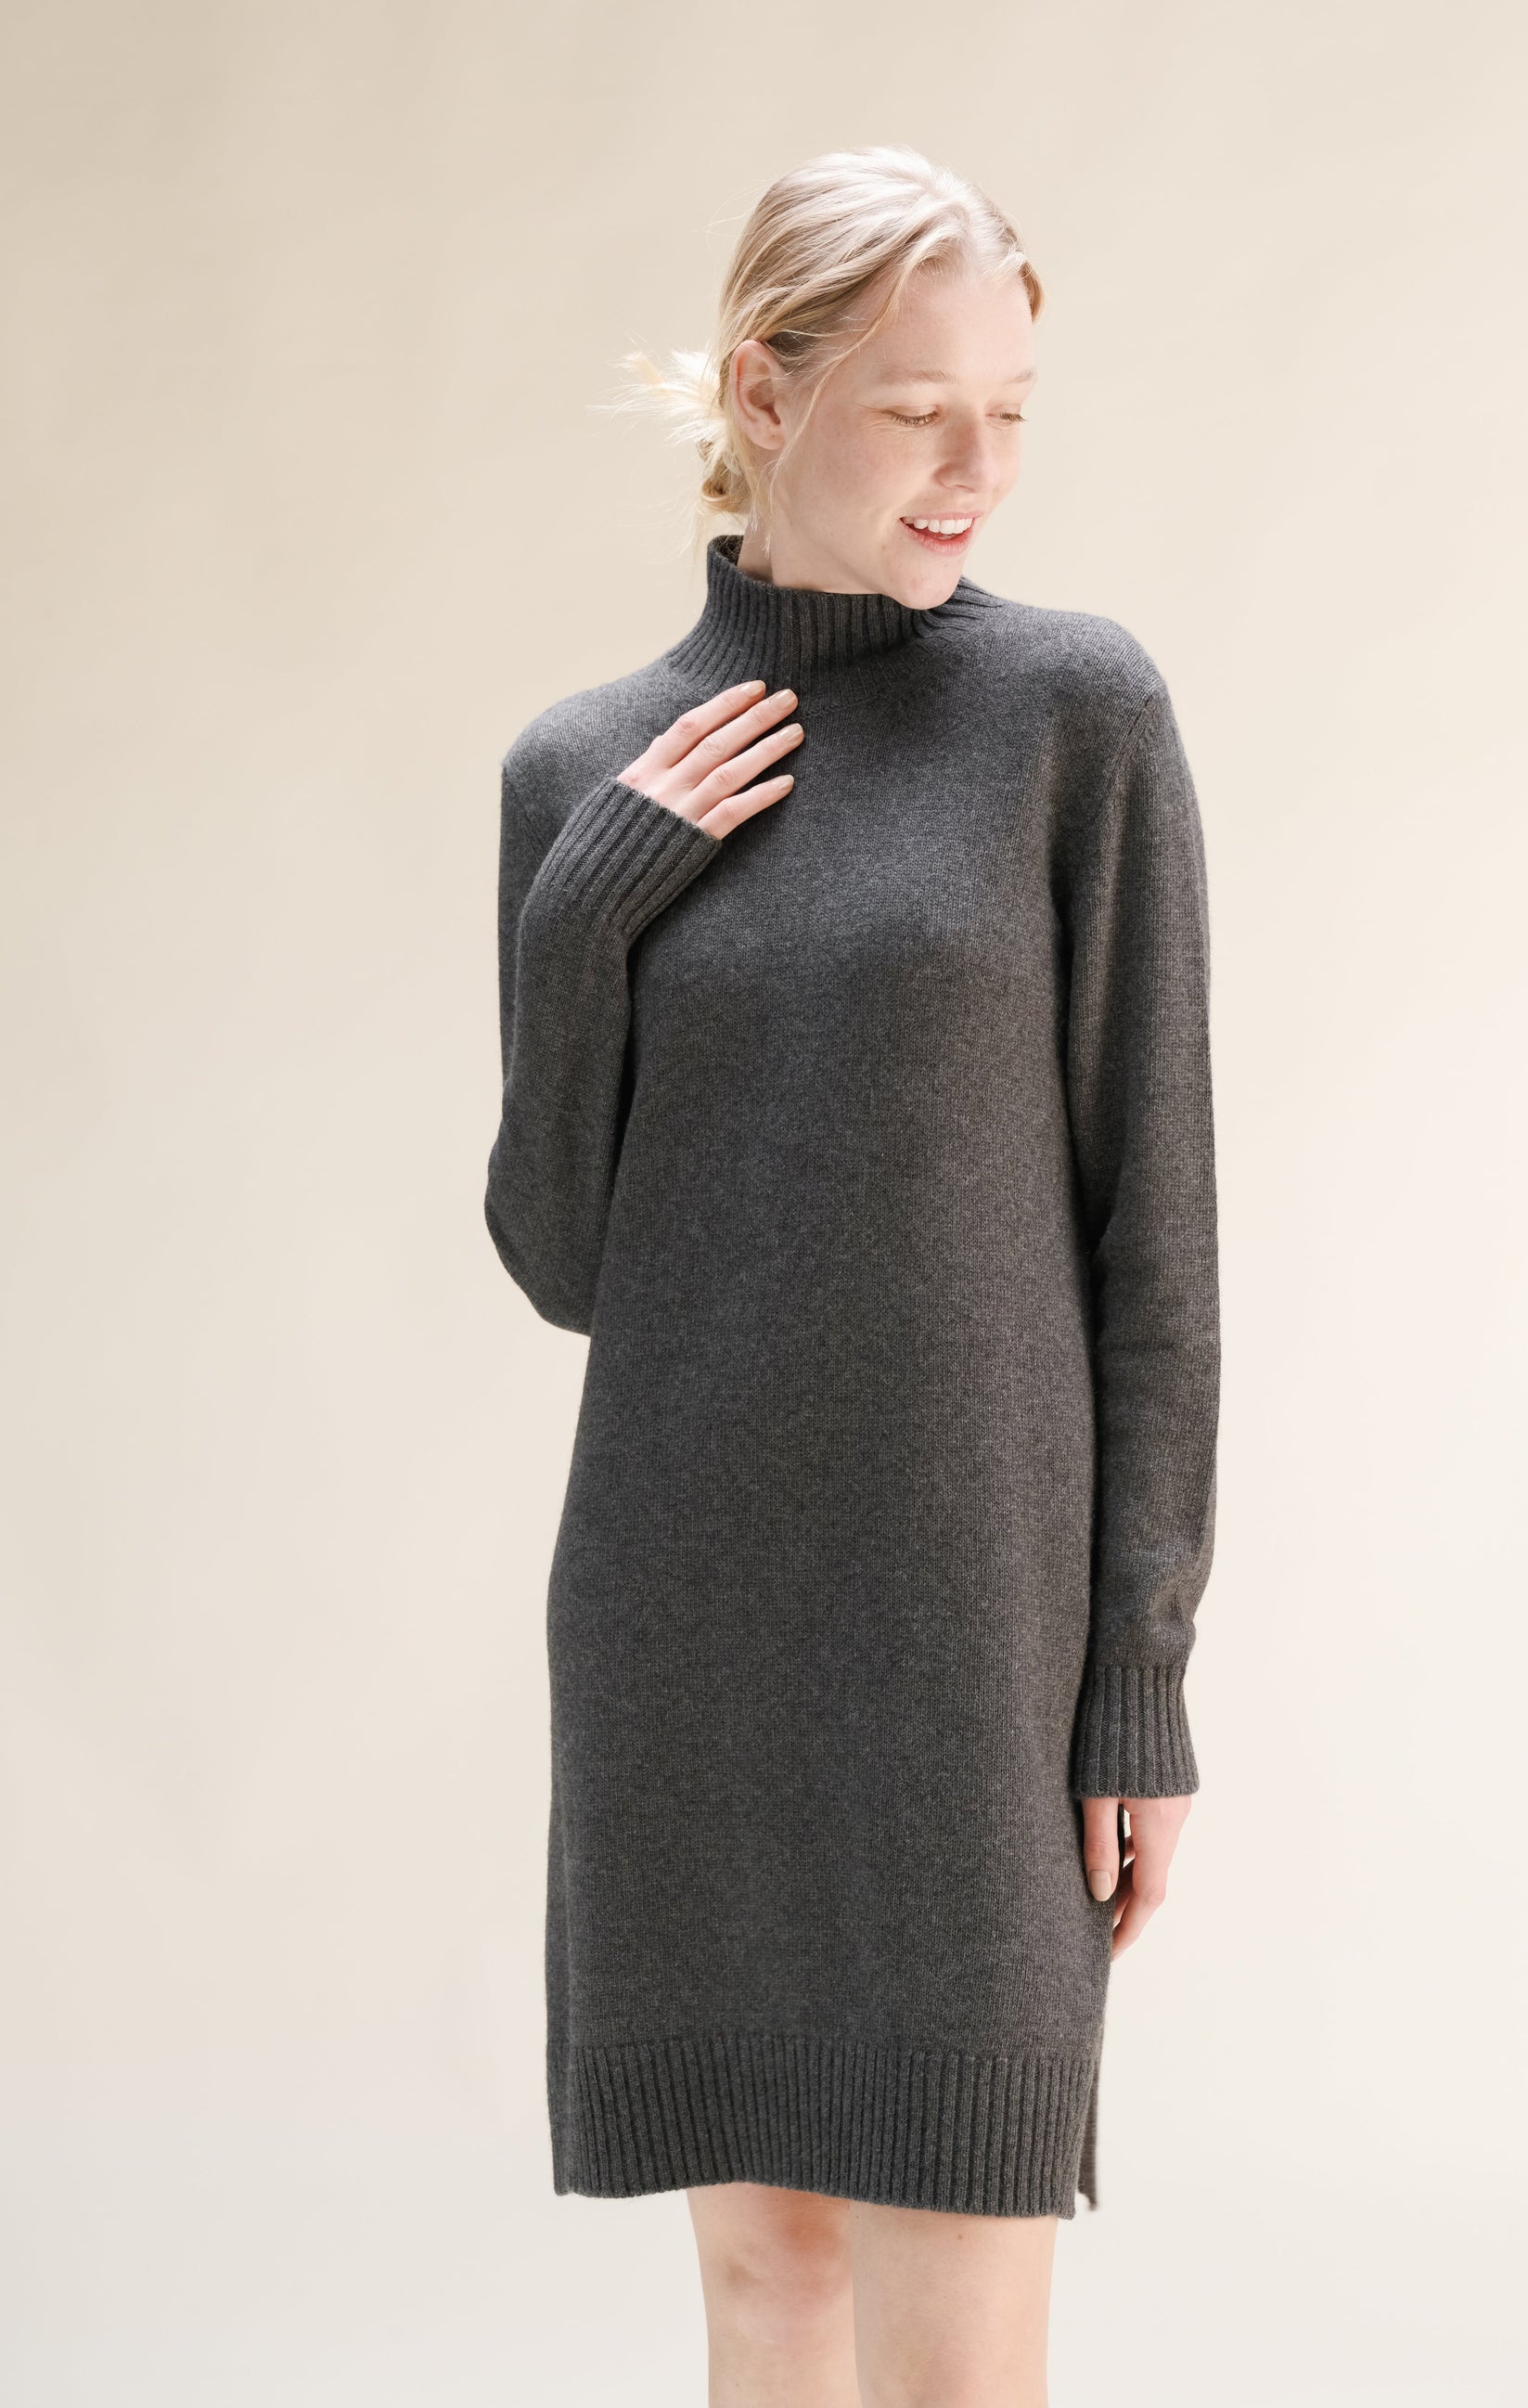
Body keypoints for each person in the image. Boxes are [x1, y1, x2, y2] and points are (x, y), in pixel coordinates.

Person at [482, 143, 1221, 2407]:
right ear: (762, 392)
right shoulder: (582, 768)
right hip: (687, 1637)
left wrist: (1136, 1678)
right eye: (917, 411)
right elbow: (564, 1258)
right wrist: (594, 903)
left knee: (960, 2350)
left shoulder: (1071, 718)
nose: (974, 469)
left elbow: (1157, 1229)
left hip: (971, 1643)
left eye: (1010, 412)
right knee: (769, 2286)